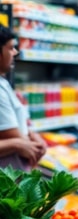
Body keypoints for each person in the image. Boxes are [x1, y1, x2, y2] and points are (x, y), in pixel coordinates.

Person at [0, 26, 46, 169]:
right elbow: (12, 135)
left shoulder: (3, 83)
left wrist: (31, 135)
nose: (15, 52)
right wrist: (18, 144)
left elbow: (19, 126)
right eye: (11, 48)